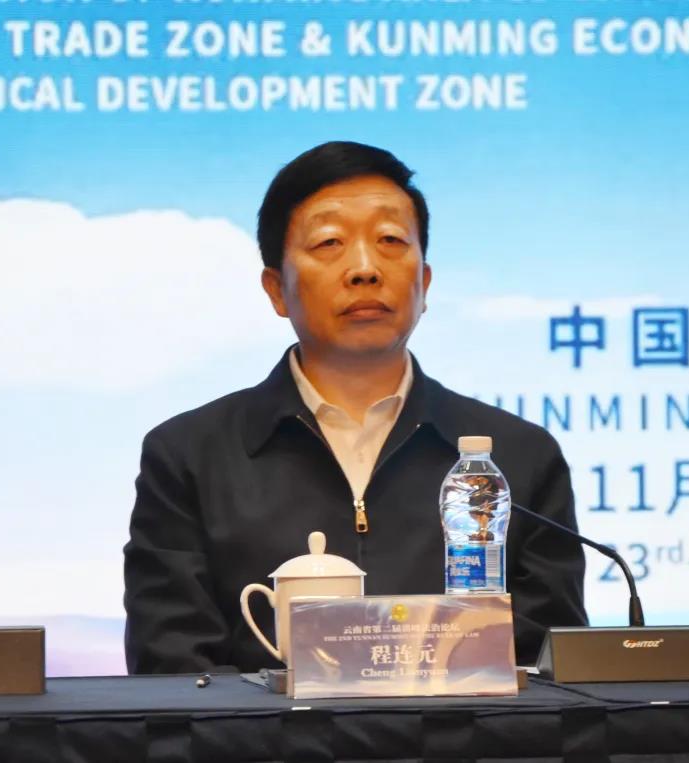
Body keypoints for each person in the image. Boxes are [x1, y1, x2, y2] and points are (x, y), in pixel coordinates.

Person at [123, 141, 587, 674]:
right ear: (276, 290)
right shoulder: (190, 455)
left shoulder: (519, 457)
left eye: (390, 240)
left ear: (424, 282)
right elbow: (174, 670)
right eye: (329, 243)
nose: (365, 268)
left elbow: (555, 672)